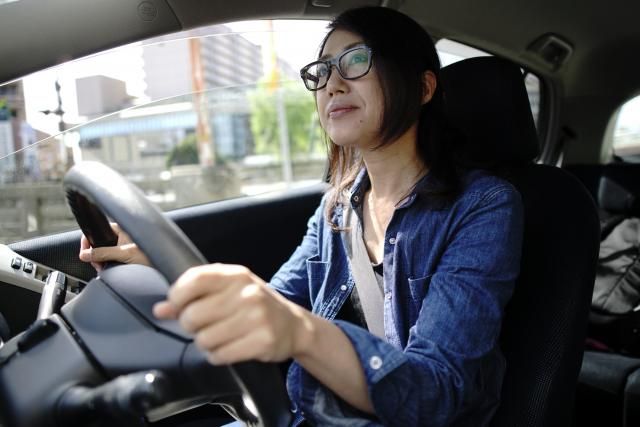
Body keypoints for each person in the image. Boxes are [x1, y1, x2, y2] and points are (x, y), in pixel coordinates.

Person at [79, 6, 523, 426]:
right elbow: (270, 306)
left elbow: (435, 395)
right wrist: (159, 269)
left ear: (423, 87)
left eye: (356, 60)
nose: (332, 85)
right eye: (322, 71)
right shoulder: (337, 207)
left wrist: (301, 332)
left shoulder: (483, 207)